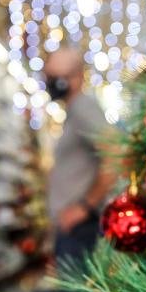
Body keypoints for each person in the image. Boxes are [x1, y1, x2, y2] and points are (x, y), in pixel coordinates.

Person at [44, 48, 113, 262]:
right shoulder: (74, 111)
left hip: (82, 229)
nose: (51, 83)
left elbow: (116, 154)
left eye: (56, 77)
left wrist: (83, 207)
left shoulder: (84, 108)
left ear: (75, 77)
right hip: (75, 229)